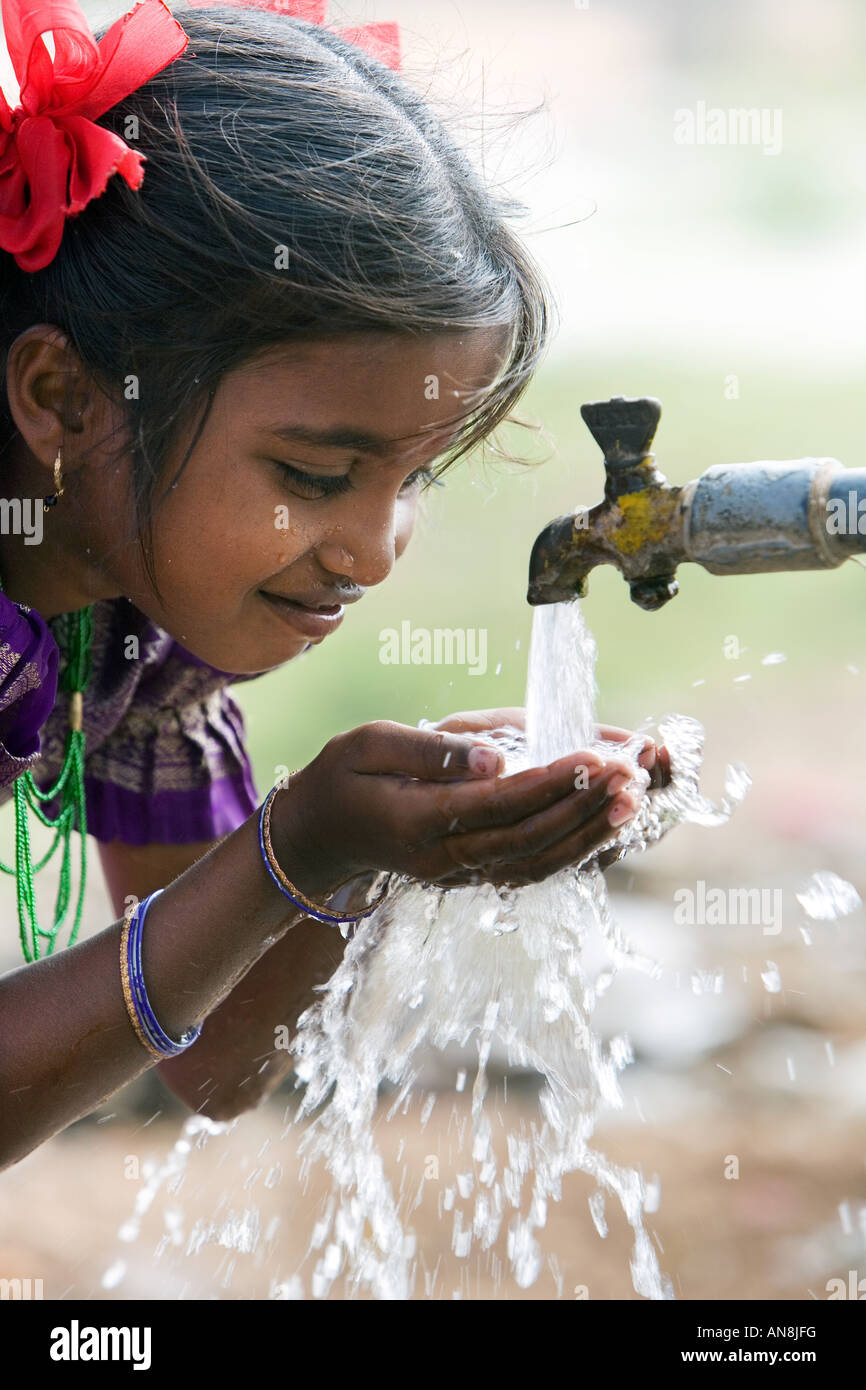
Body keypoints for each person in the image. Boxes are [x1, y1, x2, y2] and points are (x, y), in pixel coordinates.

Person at [0, 0, 669, 1171]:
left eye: (415, 480)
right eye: (315, 474)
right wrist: (294, 842)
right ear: (63, 399)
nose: (370, 550)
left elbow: (220, 1063)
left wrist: (362, 841)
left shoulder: (137, 634)